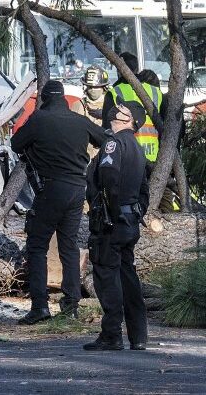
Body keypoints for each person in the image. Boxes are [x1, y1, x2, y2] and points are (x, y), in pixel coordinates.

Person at [10, 81, 107, 325]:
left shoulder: (39, 119)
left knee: (37, 246)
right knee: (69, 247)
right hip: (77, 190)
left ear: (44, 98)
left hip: (51, 189)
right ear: (63, 98)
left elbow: (15, 144)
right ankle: (71, 305)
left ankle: (40, 307)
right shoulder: (79, 121)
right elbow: (104, 140)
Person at [85, 101, 150, 351]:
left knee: (107, 276)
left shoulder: (114, 144)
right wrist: (134, 213)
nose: (114, 110)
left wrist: (109, 214)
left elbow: (109, 179)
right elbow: (144, 189)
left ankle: (111, 335)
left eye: (120, 108)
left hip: (111, 224)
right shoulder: (136, 147)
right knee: (128, 276)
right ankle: (138, 336)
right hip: (129, 221)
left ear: (128, 119)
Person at [101, 52, 164, 163]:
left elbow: (107, 129)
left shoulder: (114, 92)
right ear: (136, 69)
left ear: (119, 70)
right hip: (154, 157)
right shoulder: (156, 92)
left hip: (127, 157)